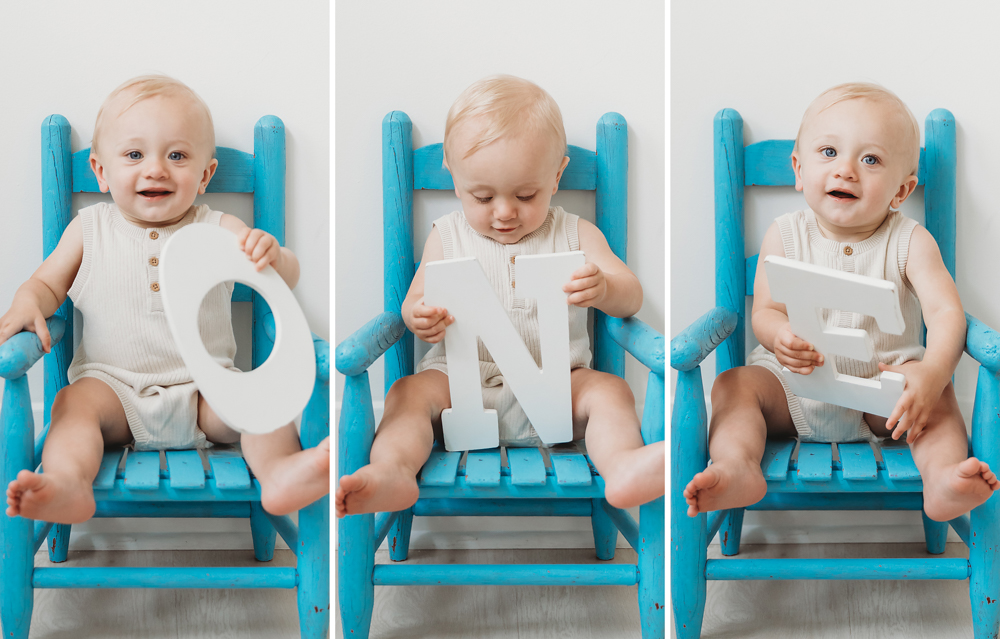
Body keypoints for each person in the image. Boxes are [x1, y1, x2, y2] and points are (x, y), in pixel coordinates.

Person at [1, 75, 329, 524]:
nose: (155, 169)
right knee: (70, 407)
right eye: (134, 155)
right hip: (113, 391)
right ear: (100, 171)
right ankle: (68, 484)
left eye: (176, 155)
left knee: (257, 406)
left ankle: (280, 474)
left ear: (205, 175)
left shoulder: (218, 228)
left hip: (205, 390)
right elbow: (46, 285)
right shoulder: (89, 229)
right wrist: (26, 301)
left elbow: (281, 278)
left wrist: (273, 253)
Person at [335, 75, 664, 517]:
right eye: (483, 196)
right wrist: (419, 315)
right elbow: (413, 301)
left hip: (557, 386)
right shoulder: (446, 236)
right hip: (459, 384)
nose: (505, 211)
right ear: (455, 180)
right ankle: (393, 471)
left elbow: (632, 297)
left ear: (557, 176)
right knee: (407, 394)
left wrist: (605, 287)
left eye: (526, 194)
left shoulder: (575, 233)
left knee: (610, 391)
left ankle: (622, 466)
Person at [684, 82, 998, 522]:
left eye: (870, 159)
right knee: (732, 386)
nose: (846, 170)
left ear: (901, 192)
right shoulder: (786, 234)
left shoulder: (910, 241)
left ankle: (943, 478)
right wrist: (780, 337)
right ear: (798, 168)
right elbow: (766, 312)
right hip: (794, 387)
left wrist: (931, 372)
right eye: (828, 152)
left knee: (937, 398)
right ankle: (737, 465)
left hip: (882, 396)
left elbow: (945, 313)